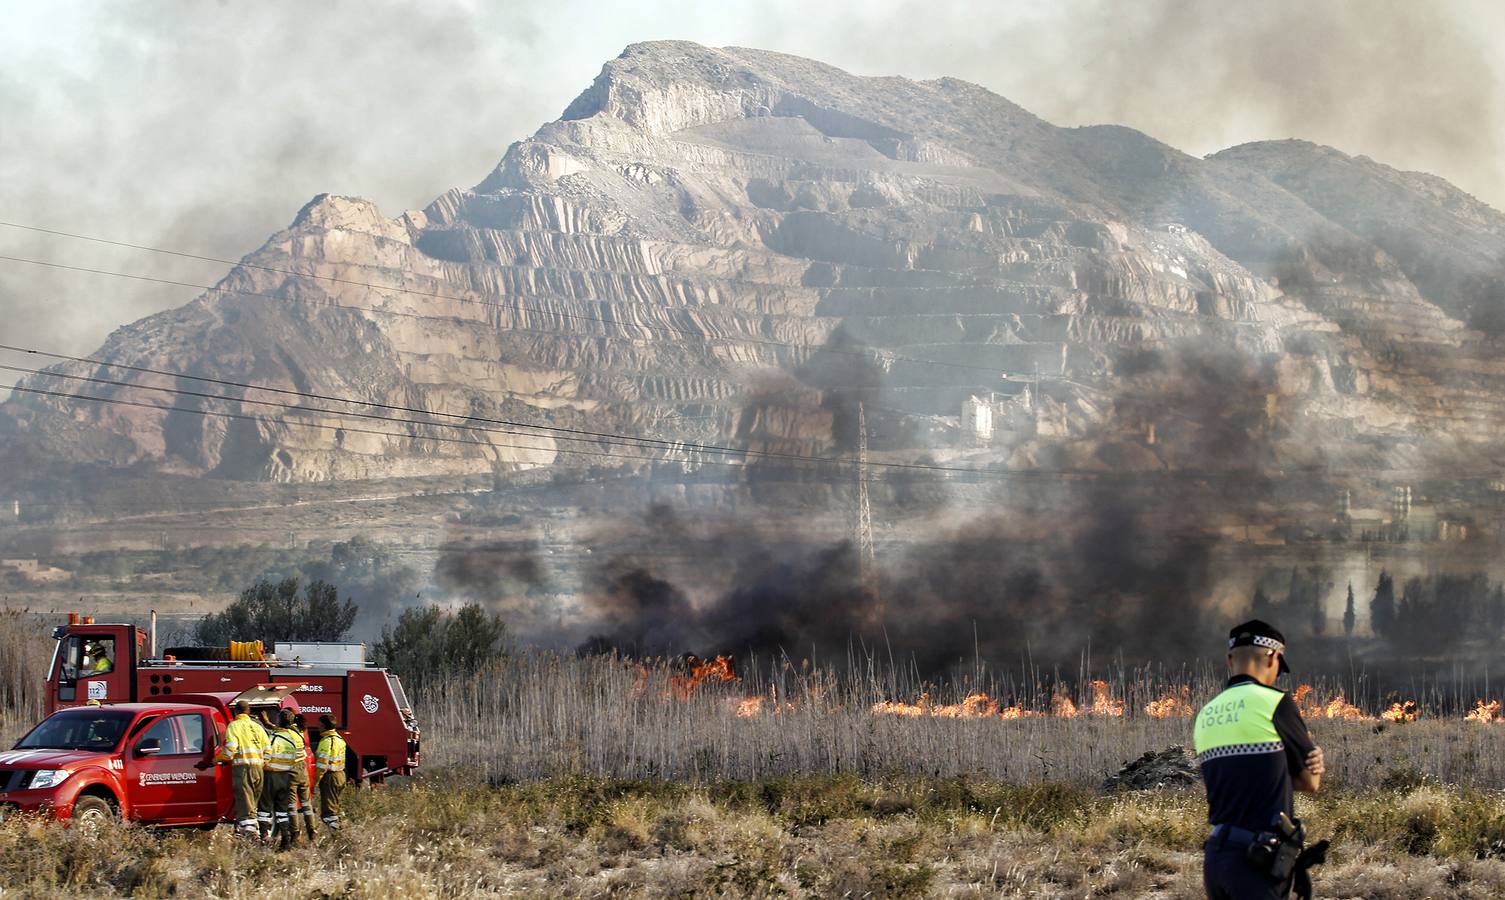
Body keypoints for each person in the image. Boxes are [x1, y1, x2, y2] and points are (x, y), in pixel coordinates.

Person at [1194, 620, 1327, 900]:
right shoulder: (1276, 702)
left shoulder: (1206, 714)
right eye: (1279, 664)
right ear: (1272, 656)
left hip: (1216, 861)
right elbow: (1310, 782)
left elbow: (1238, 778)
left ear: (1230, 659)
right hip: (1256, 862)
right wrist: (1313, 761)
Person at [215, 700, 269, 838]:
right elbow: (268, 750)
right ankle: (254, 832)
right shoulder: (258, 727)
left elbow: (230, 749)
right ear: (248, 712)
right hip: (259, 769)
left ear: (236, 712)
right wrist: (261, 764)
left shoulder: (234, 726)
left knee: (245, 804)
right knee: (253, 804)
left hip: (243, 768)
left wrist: (218, 759)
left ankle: (250, 837)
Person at [264, 708, 307, 849]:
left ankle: (264, 841)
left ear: (279, 721)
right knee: (282, 811)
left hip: (272, 776)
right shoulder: (294, 738)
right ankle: (286, 841)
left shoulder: (273, 738)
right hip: (286, 776)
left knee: (264, 810)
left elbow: (265, 757)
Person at [314, 715, 348, 832]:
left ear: (324, 726)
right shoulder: (339, 739)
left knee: (329, 812)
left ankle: (335, 837)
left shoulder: (327, 742)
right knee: (336, 808)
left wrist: (316, 782)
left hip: (330, 777)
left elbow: (322, 766)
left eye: (319, 725)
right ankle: (341, 832)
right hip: (340, 775)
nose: (318, 727)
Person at [289, 713, 318, 841]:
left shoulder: (288, 734)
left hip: (292, 772)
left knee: (292, 806)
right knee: (306, 804)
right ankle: (312, 831)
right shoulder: (300, 732)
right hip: (303, 772)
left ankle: (295, 834)